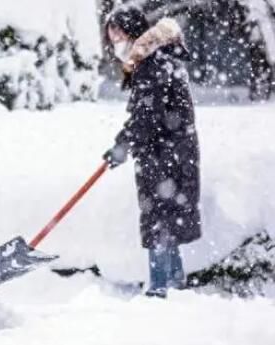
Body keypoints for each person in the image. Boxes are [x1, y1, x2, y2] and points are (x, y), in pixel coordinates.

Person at [103, 7, 202, 297]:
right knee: (166, 217)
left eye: (117, 36)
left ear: (132, 32)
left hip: (164, 155)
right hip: (172, 151)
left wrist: (122, 146)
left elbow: (146, 116)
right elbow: (146, 114)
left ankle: (160, 287)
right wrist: (125, 142)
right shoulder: (158, 59)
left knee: (159, 218)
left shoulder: (152, 63)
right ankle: (174, 281)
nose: (114, 44)